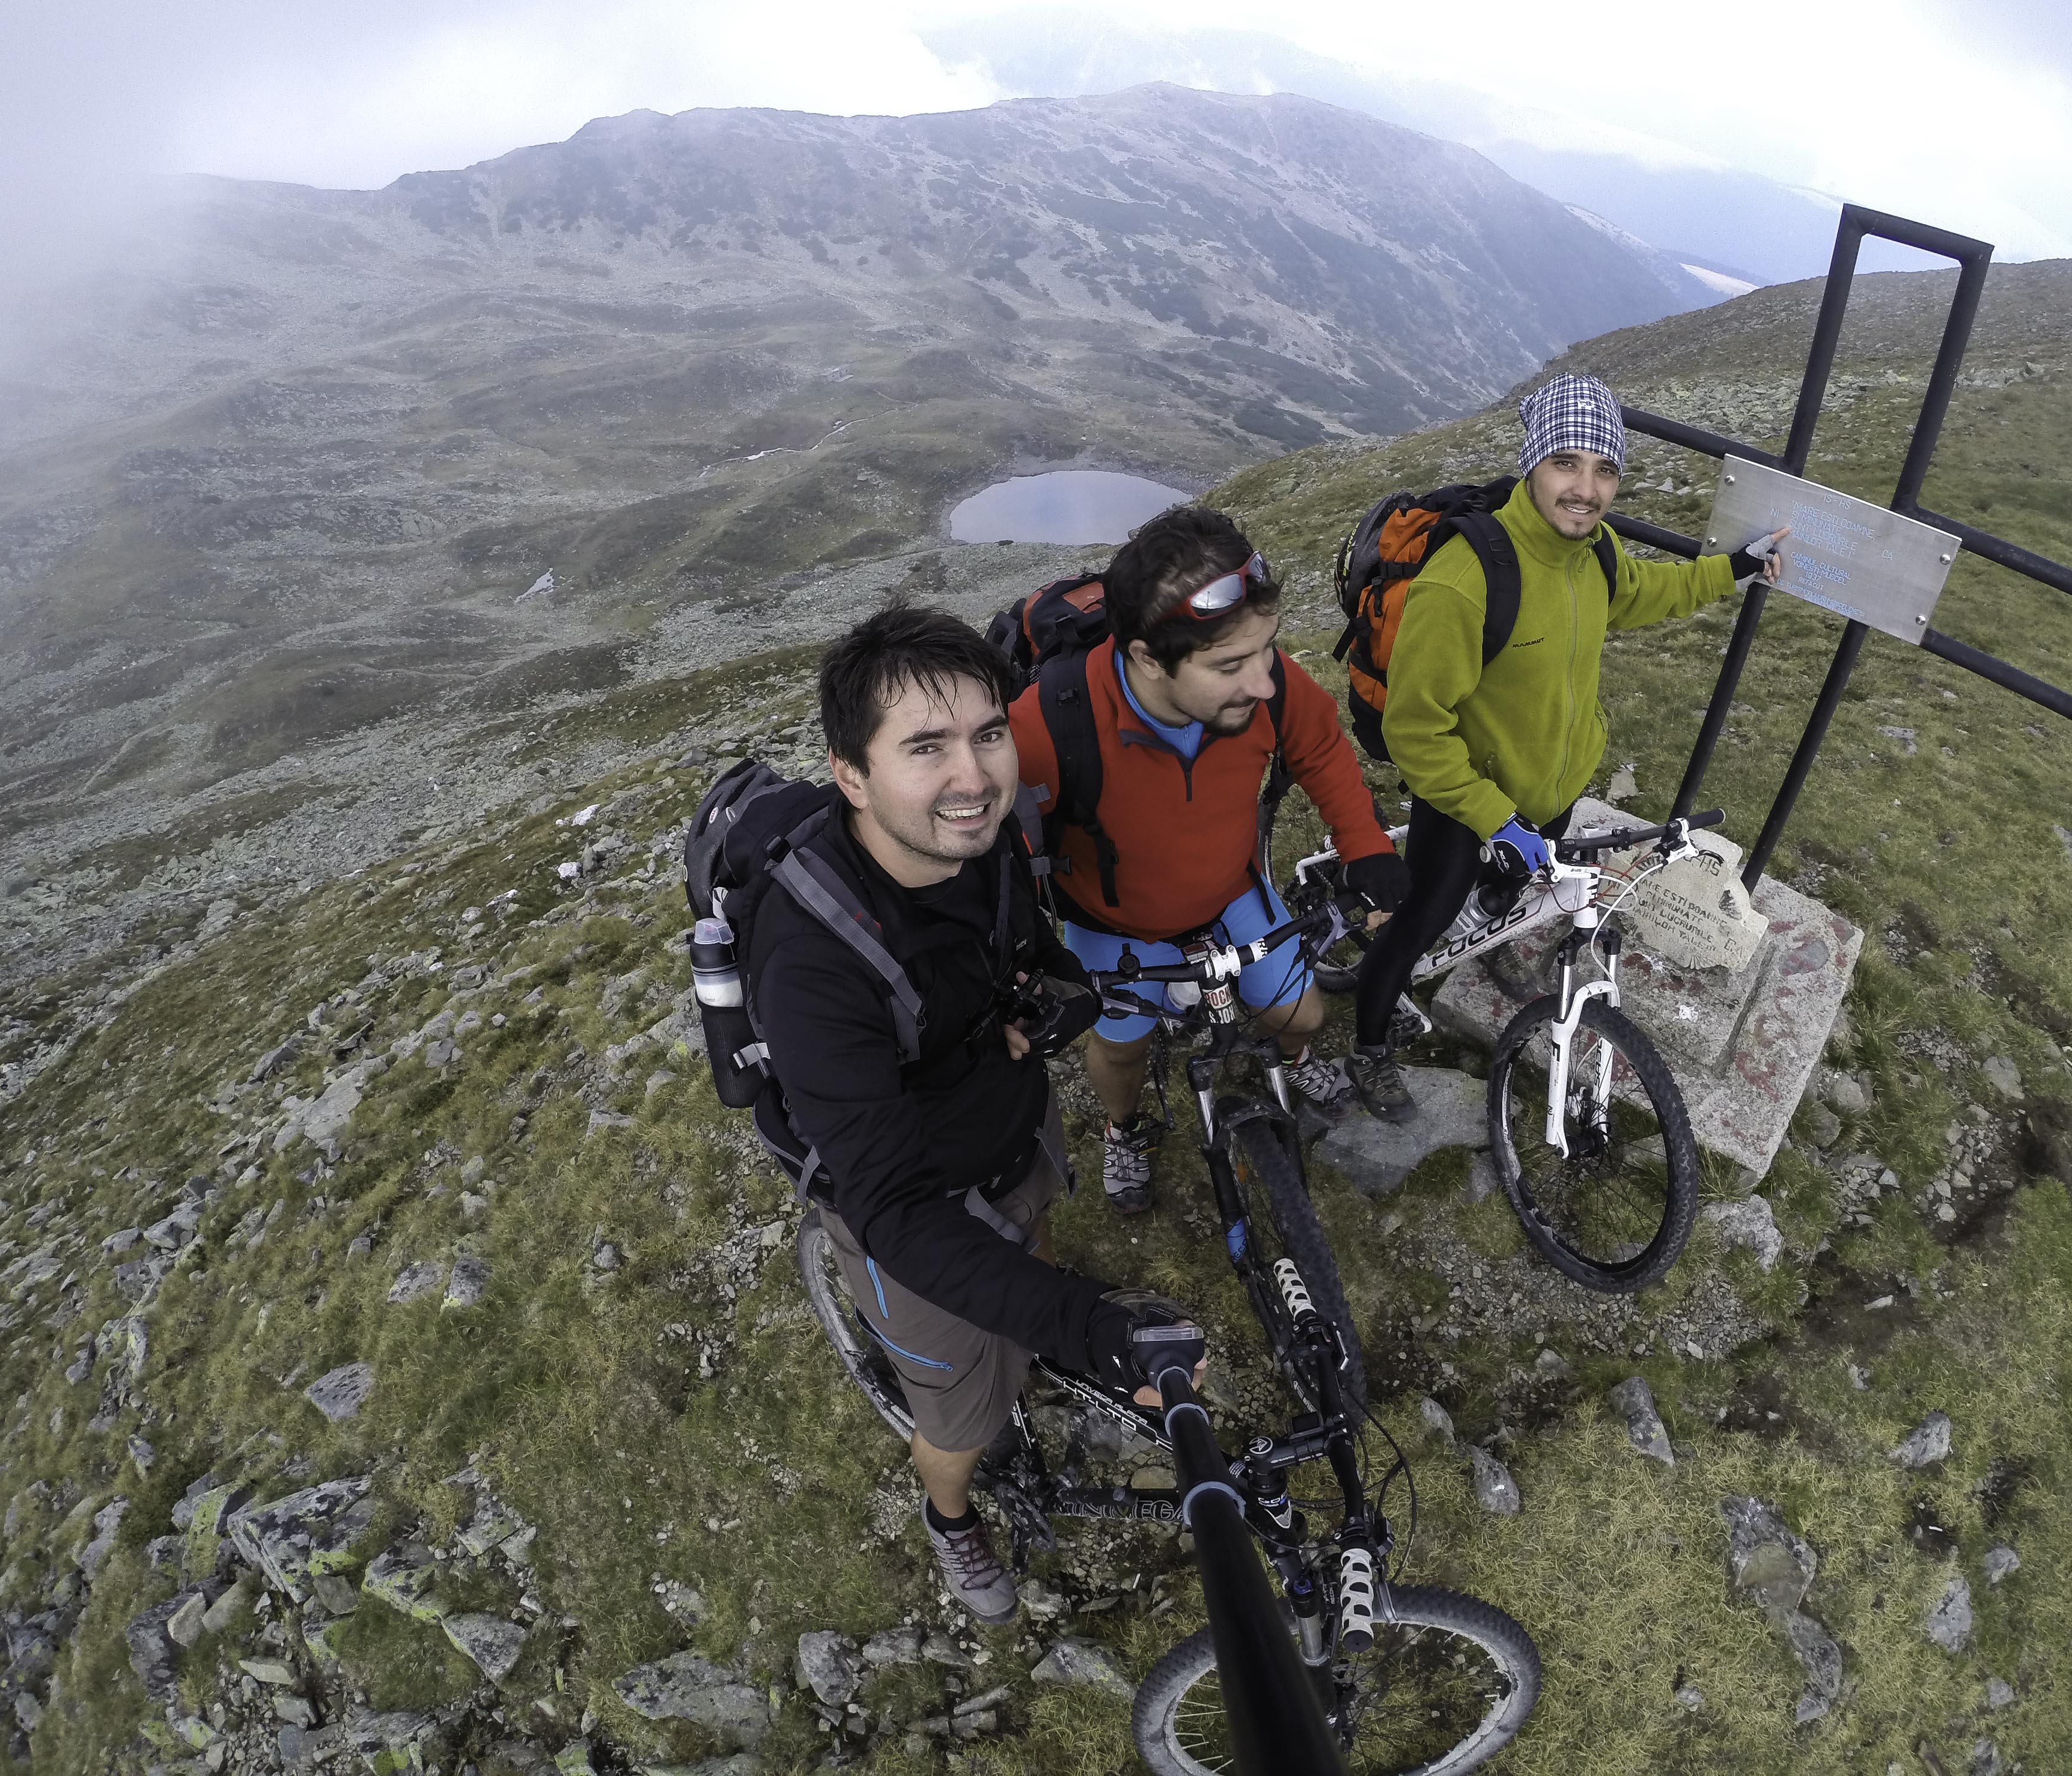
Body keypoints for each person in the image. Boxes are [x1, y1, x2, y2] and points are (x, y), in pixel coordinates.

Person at [760, 605, 1194, 1623]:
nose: (974, 775)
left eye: (988, 733)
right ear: (851, 776)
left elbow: (1028, 954)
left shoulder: (982, 841)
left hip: (1011, 1131)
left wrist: (1050, 1004)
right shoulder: (810, 963)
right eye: (926, 747)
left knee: (1028, 1258)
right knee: (961, 1415)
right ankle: (950, 1515)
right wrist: (1090, 1325)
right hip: (910, 1209)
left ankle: (1023, 1326)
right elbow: (897, 1209)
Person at [1343, 374, 1783, 1121]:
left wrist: (1735, 568)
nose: (1585, 489)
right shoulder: (1464, 579)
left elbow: (1643, 592)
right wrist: (1493, 817)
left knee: (1512, 881)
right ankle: (1368, 1043)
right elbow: (1415, 731)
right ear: (1532, 463)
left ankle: (1489, 919)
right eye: (1566, 463)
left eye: (1605, 469)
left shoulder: (1594, 550)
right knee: (1421, 918)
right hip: (1468, 796)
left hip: (1551, 786)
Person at [1011, 505, 1411, 1213]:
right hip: (1113, 923)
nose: (1264, 683)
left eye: (1266, 650)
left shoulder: (1267, 685)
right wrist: (1015, 964)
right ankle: (1124, 1127)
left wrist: (1366, 847)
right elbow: (993, 849)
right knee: (1122, 1050)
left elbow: (1319, 748)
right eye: (1229, 665)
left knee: (1302, 1016)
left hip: (1231, 892)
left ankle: (1297, 1061)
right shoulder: (1049, 723)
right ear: (1146, 658)